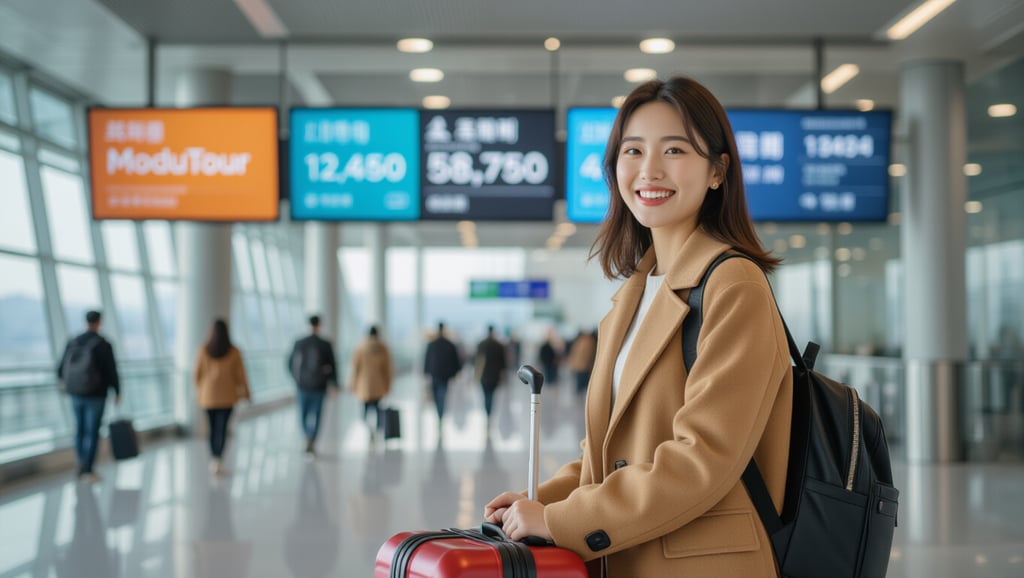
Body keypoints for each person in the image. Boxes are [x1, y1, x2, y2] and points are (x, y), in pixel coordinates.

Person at [485, 76, 793, 577]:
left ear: (718, 171)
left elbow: (704, 459)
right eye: (633, 151)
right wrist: (541, 500)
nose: (649, 169)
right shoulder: (634, 294)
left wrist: (560, 521)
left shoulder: (733, 283)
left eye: (674, 149)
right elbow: (608, 455)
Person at [57, 310, 120, 483]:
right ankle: (88, 469)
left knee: (80, 429)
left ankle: (80, 463)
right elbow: (111, 371)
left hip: (76, 393)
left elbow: (60, 367)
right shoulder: (103, 344)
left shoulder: (74, 341)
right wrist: (117, 391)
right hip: (96, 394)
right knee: (92, 431)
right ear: (99, 322)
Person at [193, 318, 251, 476]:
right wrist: (246, 393)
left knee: (212, 429)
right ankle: (218, 458)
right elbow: (241, 375)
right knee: (222, 429)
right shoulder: (234, 352)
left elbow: (196, 374)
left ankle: (213, 457)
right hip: (227, 397)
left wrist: (201, 390)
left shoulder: (203, 350)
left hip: (208, 397)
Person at [288, 315, 339, 458]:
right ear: (319, 325)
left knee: (303, 414)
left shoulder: (299, 342)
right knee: (317, 414)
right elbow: (333, 366)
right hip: (319, 386)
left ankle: (307, 436)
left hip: (302, 386)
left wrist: (295, 379)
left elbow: (289, 363)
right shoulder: (325, 344)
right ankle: (312, 438)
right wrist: (334, 384)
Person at [349, 325, 393, 436]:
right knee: (378, 410)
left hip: (364, 386)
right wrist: (388, 385)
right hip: (378, 385)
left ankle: (368, 429)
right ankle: (378, 430)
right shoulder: (383, 348)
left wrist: (353, 384)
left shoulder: (360, 348)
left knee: (364, 411)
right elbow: (387, 369)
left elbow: (355, 368)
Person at [423, 322, 462, 429]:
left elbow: (427, 360)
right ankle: (440, 415)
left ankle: (439, 415)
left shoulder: (431, 344)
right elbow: (456, 361)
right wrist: (455, 373)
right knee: (442, 396)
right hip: (445, 375)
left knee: (437, 396)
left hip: (434, 374)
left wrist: (426, 373)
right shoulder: (449, 344)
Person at [474, 325, 507, 430]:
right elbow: (503, 363)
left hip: (484, 375)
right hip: (494, 376)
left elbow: (477, 361)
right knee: (491, 396)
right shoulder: (499, 345)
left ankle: (487, 413)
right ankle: (489, 414)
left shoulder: (481, 344)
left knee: (485, 396)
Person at [566, 329, 598, 394]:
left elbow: (574, 353)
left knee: (580, 386)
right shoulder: (590, 342)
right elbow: (588, 356)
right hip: (585, 368)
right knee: (586, 387)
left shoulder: (579, 341)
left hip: (578, 366)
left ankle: (579, 399)